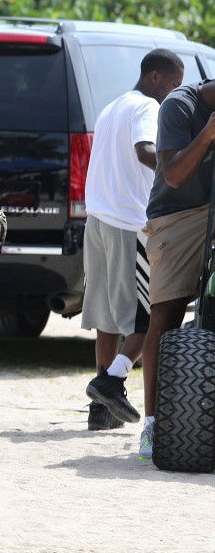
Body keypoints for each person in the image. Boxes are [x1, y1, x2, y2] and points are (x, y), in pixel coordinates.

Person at [81, 50, 183, 431]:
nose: (173, 93)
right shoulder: (147, 108)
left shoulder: (112, 107)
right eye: (173, 84)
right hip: (130, 223)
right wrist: (177, 169)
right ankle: (111, 382)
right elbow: (145, 150)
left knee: (107, 319)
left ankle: (100, 410)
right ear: (155, 77)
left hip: (99, 220)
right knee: (149, 315)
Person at [139, 74, 215, 459]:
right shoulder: (180, 106)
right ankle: (153, 424)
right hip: (178, 214)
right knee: (165, 314)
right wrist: (209, 133)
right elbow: (174, 175)